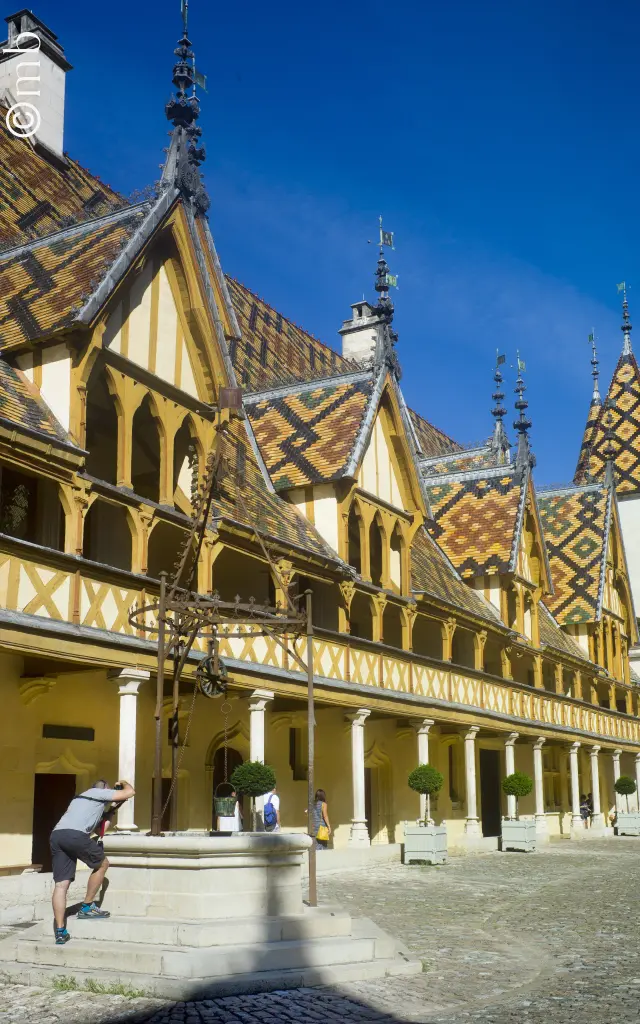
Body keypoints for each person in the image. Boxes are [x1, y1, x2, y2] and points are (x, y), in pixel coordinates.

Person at [49, 778, 134, 945]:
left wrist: (110, 813)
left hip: (57, 835)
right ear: (104, 790)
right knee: (103, 863)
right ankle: (87, 907)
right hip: (74, 835)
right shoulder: (98, 793)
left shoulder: (80, 799)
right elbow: (130, 792)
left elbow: (98, 830)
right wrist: (124, 783)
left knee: (61, 885)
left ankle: (60, 931)